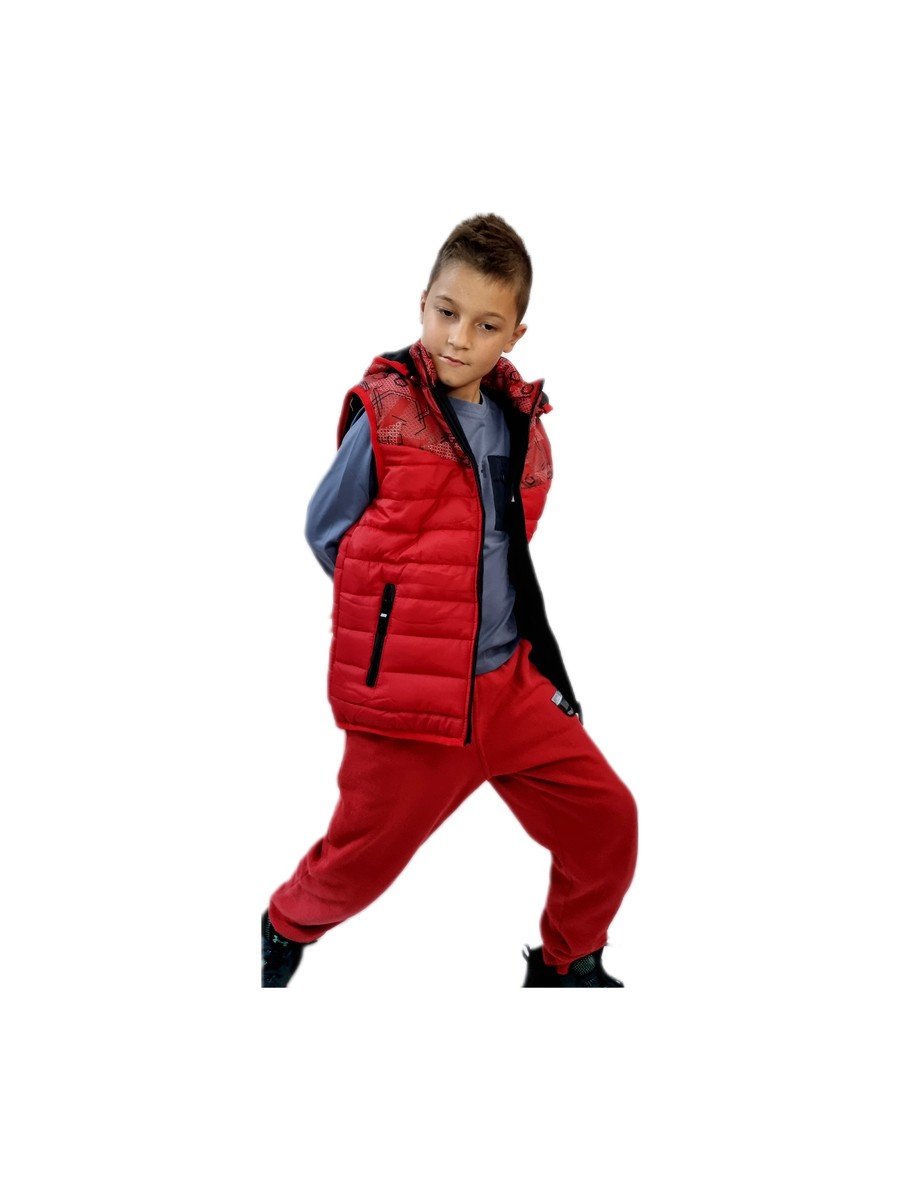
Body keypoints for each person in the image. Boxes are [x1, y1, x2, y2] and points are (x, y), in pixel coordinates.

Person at [262, 214, 638, 988]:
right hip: (417, 706)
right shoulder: (389, 416)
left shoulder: (521, 425)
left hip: (511, 687)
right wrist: (399, 623)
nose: (459, 338)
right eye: (447, 312)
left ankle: (568, 964)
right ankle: (283, 925)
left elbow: (506, 546)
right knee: (357, 866)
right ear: (423, 303)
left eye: (486, 324)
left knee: (607, 820)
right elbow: (327, 533)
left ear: (515, 334)